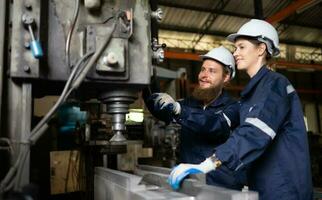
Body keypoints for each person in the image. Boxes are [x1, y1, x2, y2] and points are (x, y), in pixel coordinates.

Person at [168, 19, 313, 200]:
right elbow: (224, 128)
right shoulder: (251, 95)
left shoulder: (274, 85)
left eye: (241, 47)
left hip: (283, 189)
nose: (235, 53)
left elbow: (253, 133)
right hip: (264, 186)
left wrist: (208, 164)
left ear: (261, 49)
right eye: (235, 48)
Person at [143, 46, 246, 189]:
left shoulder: (235, 107)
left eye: (212, 71)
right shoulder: (189, 103)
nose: (204, 75)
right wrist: (148, 81)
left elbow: (214, 125)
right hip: (190, 183)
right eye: (203, 69)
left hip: (222, 187)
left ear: (226, 77)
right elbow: (162, 111)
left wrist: (179, 110)